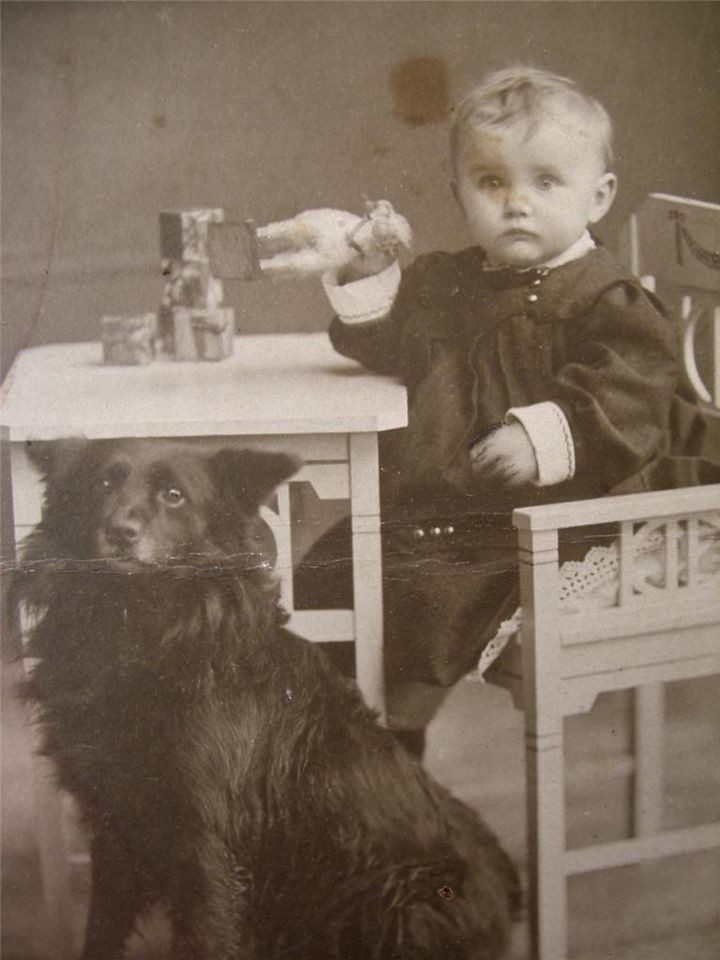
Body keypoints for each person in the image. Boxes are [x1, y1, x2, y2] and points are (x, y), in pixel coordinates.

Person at [295, 66, 718, 757]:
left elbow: (633, 393)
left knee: (424, 590)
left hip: (567, 510)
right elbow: (383, 339)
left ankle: (393, 742)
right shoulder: (448, 282)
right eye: (492, 183)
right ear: (459, 193)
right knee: (338, 565)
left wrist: (545, 434)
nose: (517, 203)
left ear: (598, 196)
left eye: (546, 182)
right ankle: (357, 733)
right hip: (454, 502)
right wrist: (365, 270)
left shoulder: (607, 299)